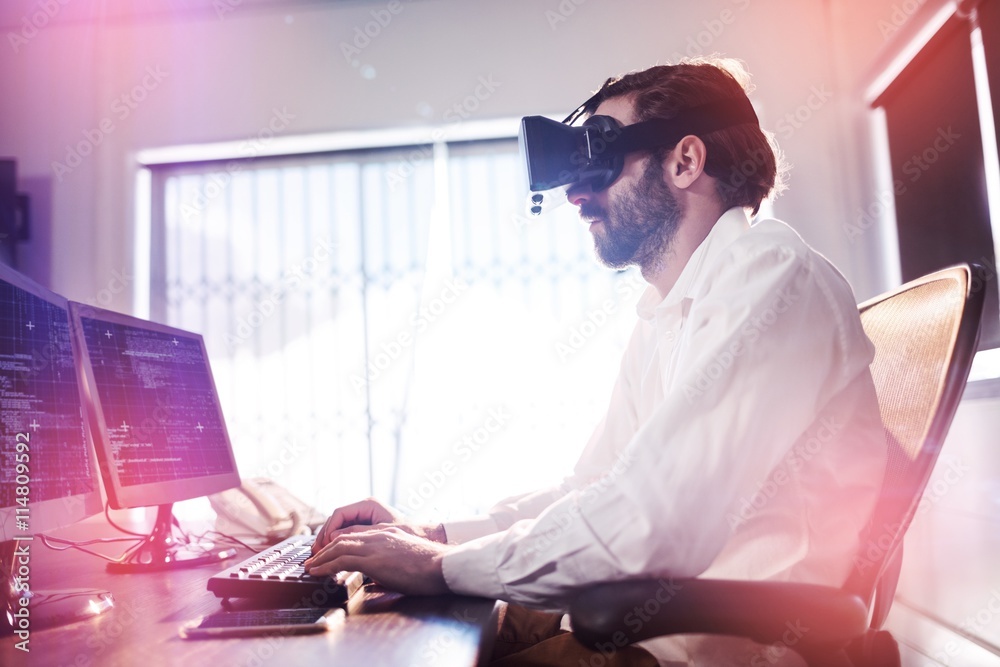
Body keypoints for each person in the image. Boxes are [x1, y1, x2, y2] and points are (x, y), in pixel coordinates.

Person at [304, 57, 886, 666]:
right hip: (647, 633)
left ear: (686, 162)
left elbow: (649, 519)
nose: (578, 193)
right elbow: (598, 488)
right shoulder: (668, 310)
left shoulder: (769, 276)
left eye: (599, 158)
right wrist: (434, 537)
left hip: (712, 652)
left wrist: (443, 568)